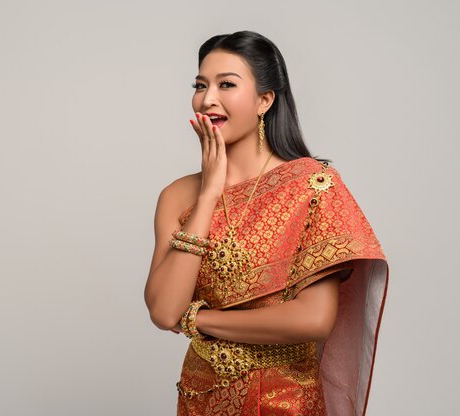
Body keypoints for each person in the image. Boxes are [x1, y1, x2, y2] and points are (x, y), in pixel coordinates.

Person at [143, 30, 389, 416]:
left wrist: (198, 319)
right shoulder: (178, 196)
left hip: (283, 400)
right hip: (198, 396)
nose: (207, 99)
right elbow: (162, 310)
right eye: (200, 85)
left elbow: (314, 318)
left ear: (264, 100)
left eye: (226, 84)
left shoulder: (313, 186)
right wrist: (208, 194)